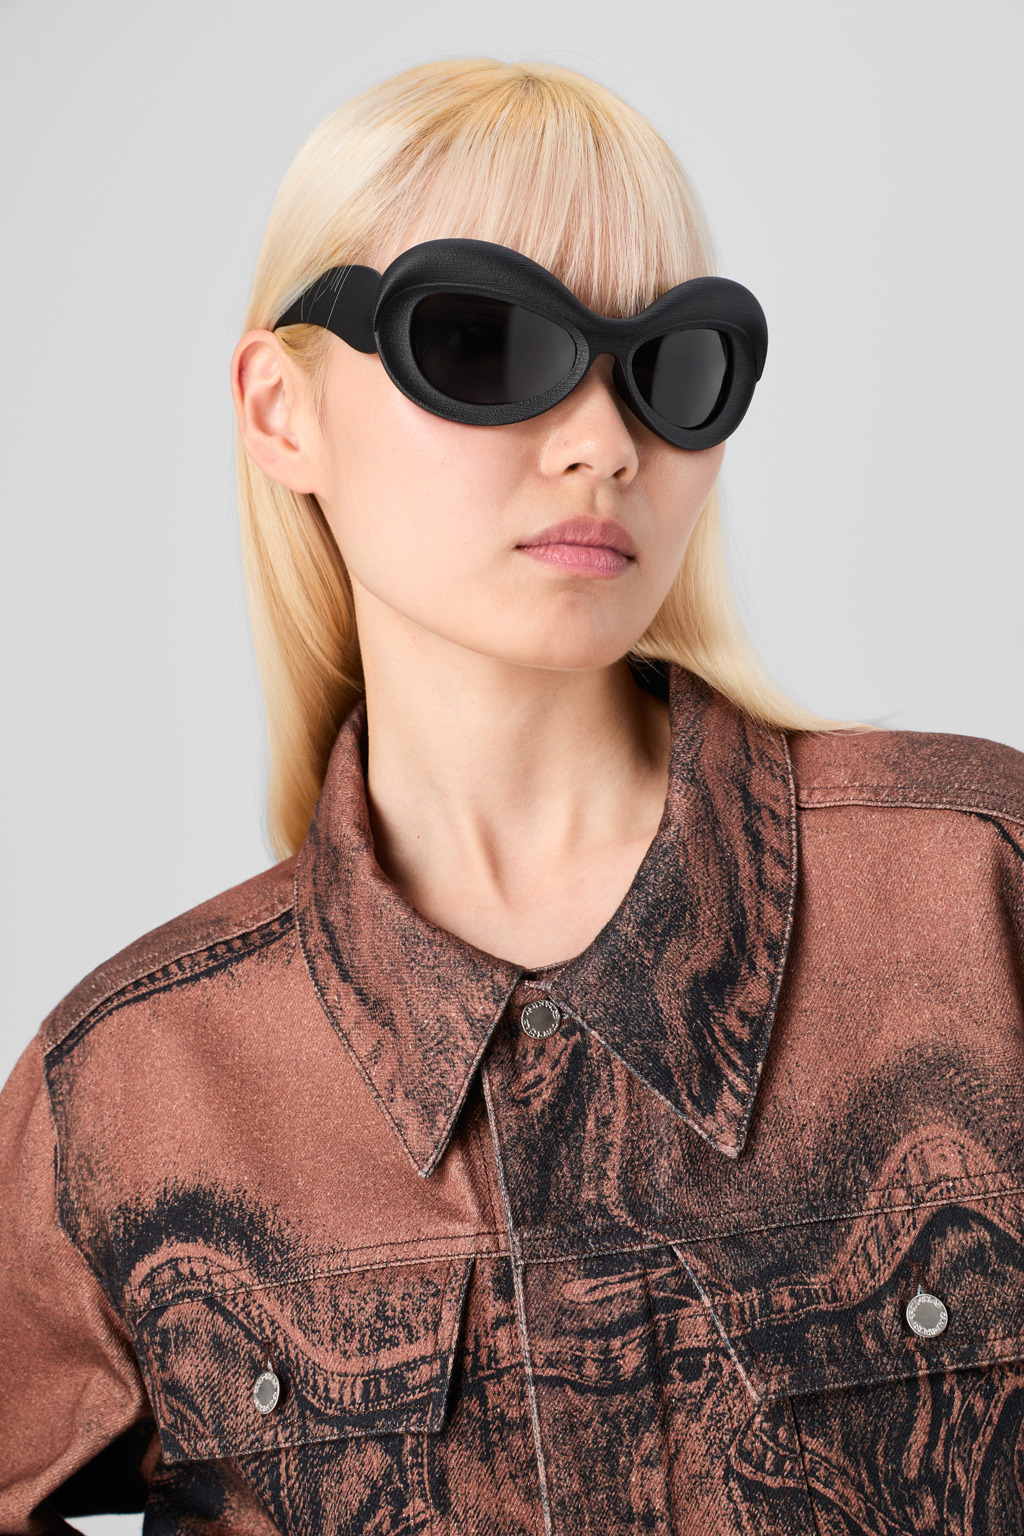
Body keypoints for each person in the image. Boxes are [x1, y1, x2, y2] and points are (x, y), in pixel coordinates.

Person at [1, 55, 1021, 1536]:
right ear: (282, 410)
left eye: (671, 365)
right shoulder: (134, 1088)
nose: (605, 442)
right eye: (481, 341)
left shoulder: (978, 895)